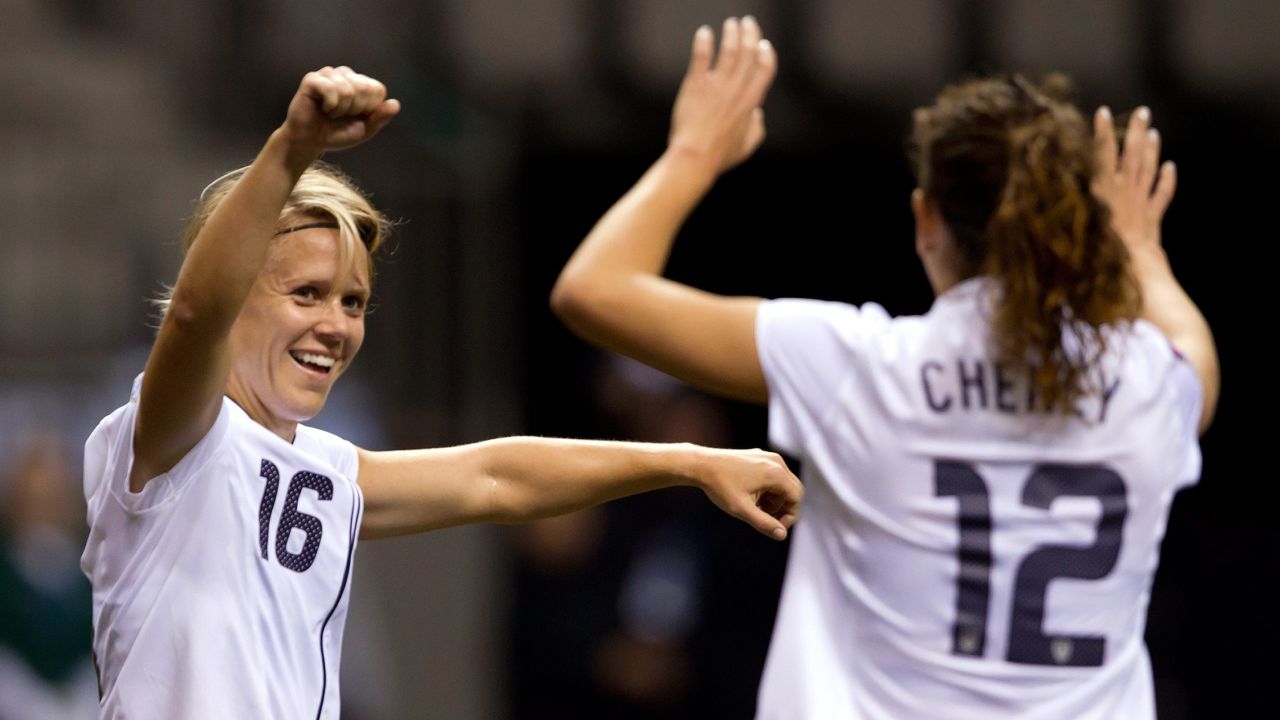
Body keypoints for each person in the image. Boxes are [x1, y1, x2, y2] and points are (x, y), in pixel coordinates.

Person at [80, 65, 802, 719]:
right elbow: (195, 312)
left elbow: (494, 478)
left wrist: (691, 462)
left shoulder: (325, 470)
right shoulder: (170, 440)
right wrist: (292, 148)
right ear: (240, 294)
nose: (335, 325)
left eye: (353, 303)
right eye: (307, 293)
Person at [550, 16, 1218, 719]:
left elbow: (592, 291)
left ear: (926, 220)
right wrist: (1140, 248)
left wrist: (693, 151)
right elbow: (1191, 352)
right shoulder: (1147, 384)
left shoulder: (865, 367)